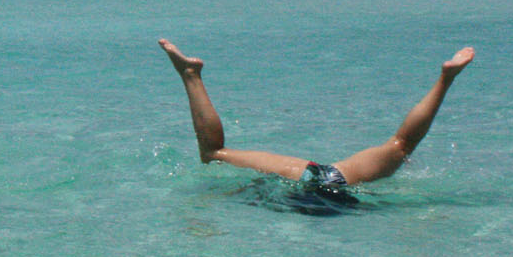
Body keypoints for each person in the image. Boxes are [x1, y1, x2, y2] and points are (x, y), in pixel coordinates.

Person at [158, 38, 474, 192]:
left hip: (318, 180)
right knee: (401, 145)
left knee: (214, 153)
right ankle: (445, 79)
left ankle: (190, 75)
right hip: (329, 181)